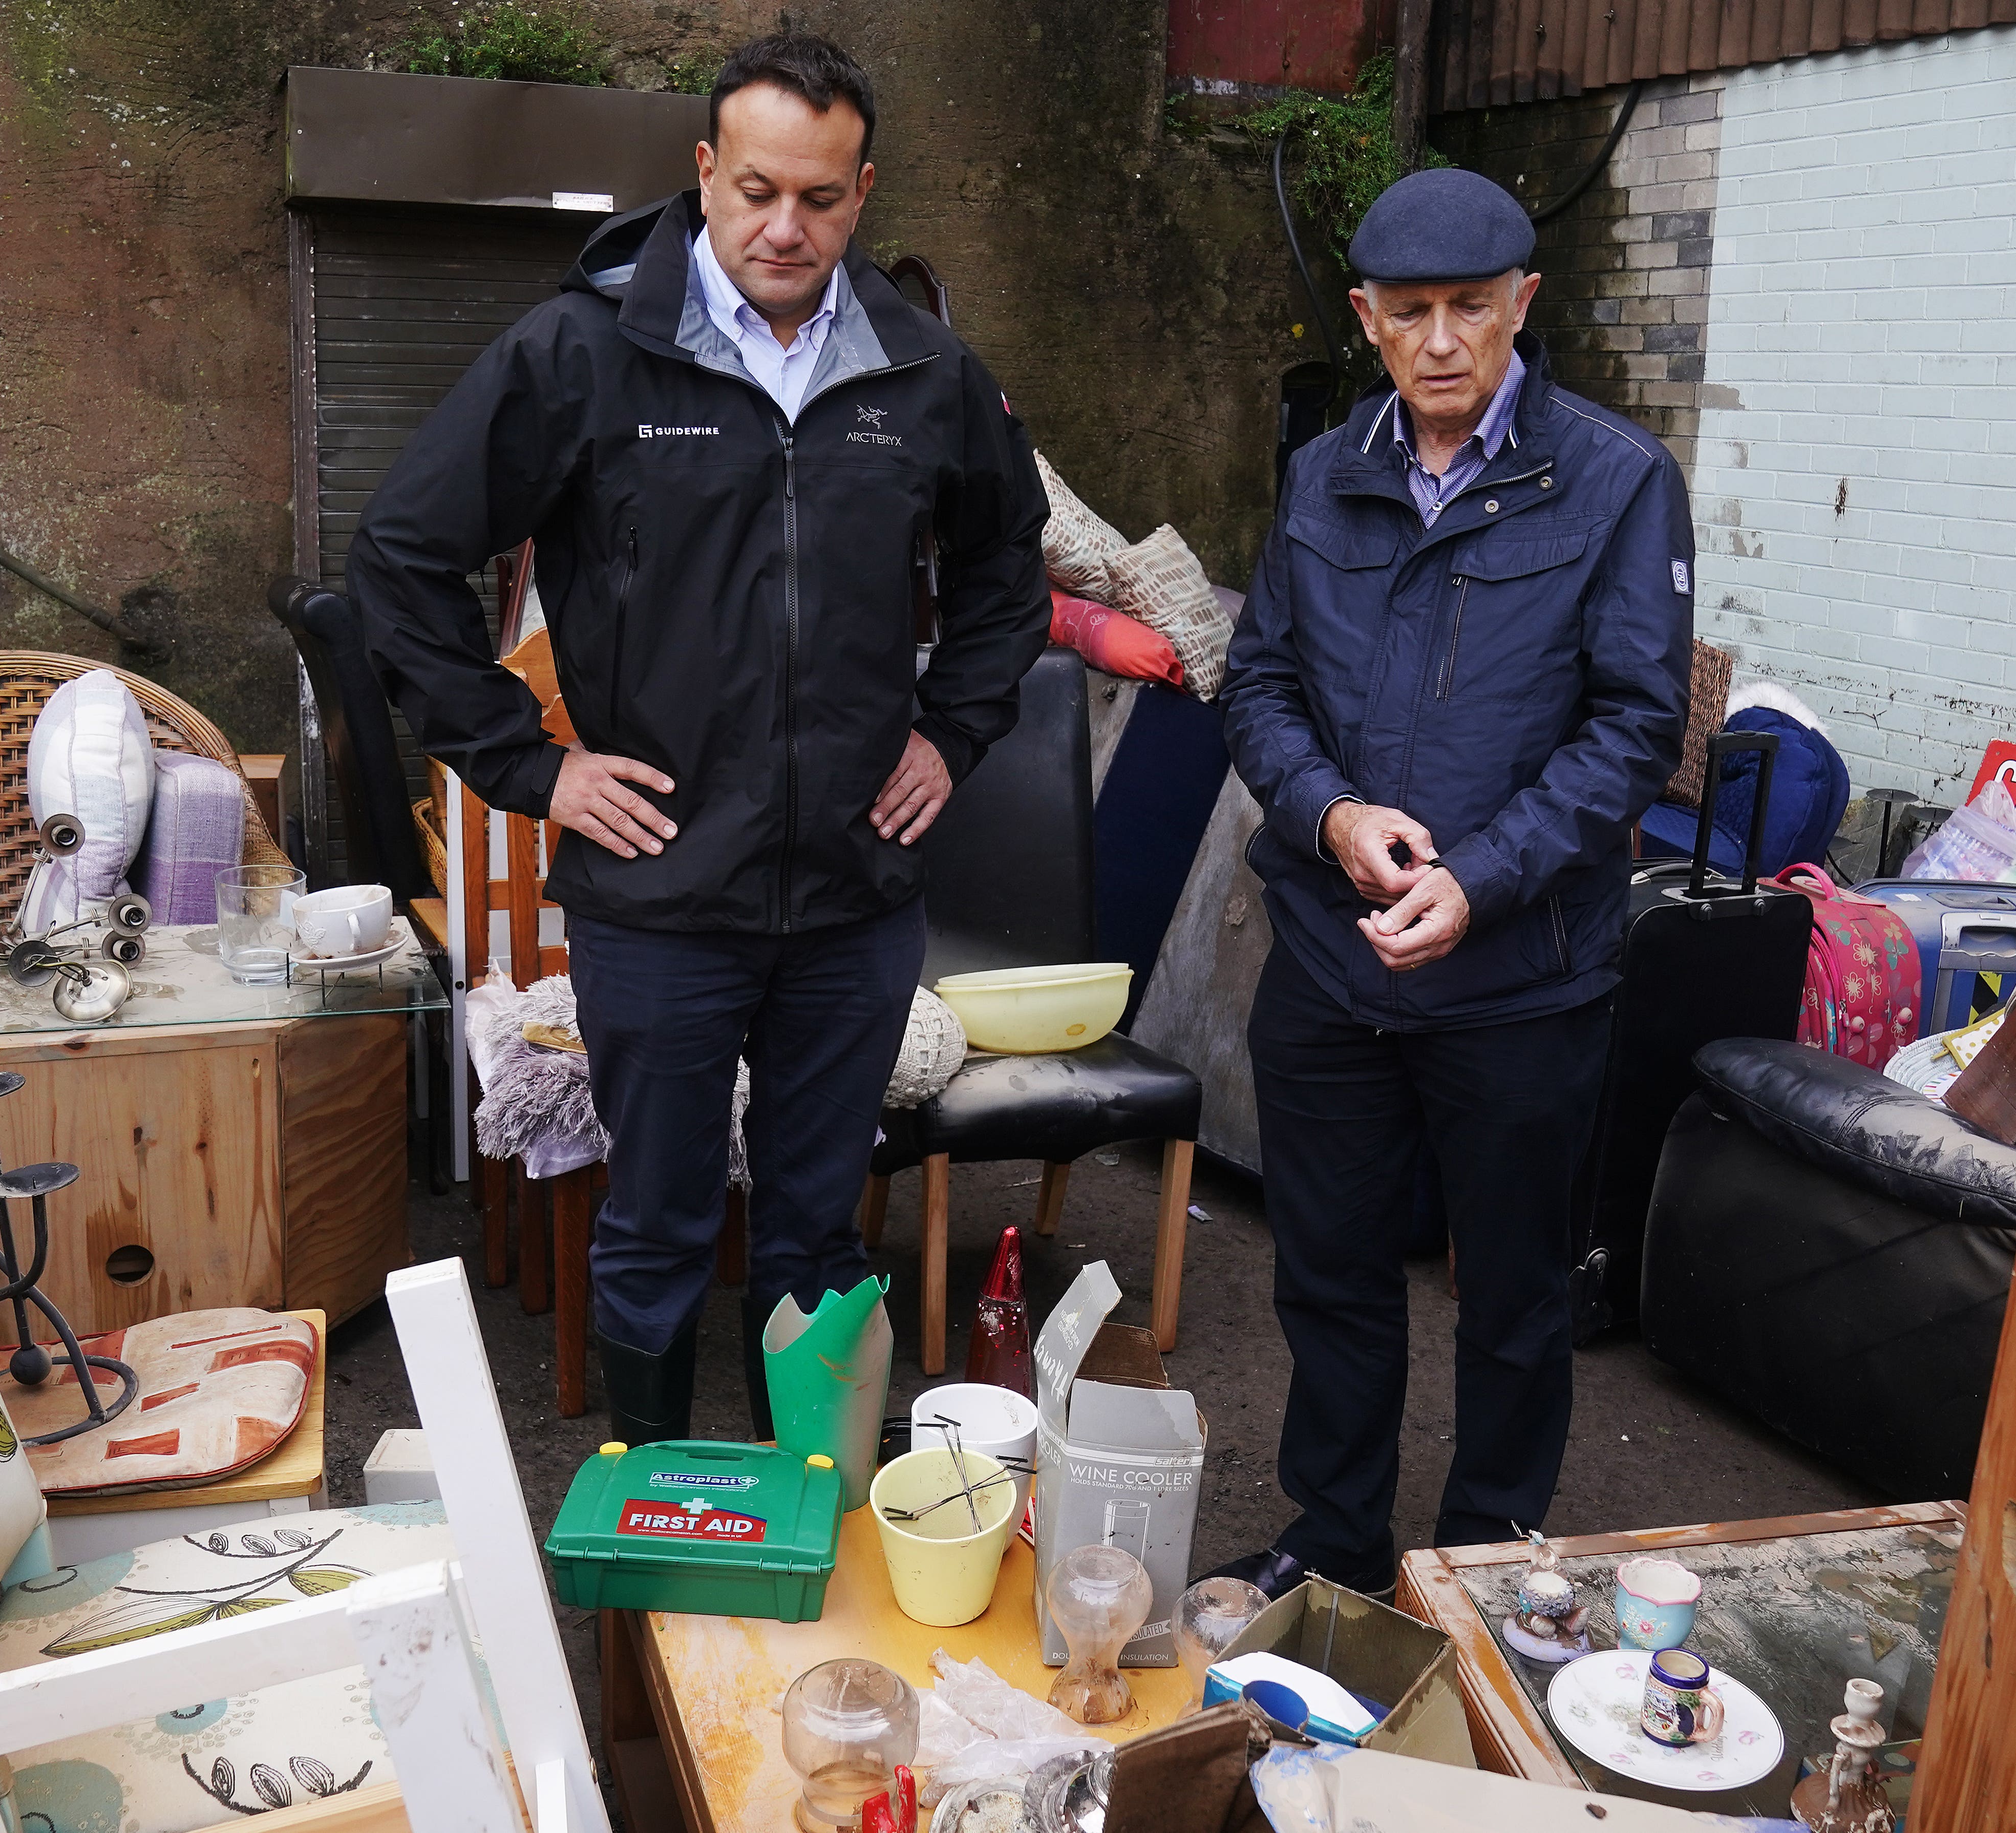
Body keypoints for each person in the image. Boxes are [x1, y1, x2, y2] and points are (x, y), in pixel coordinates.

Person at [352, 33, 1049, 1444]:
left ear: (864, 193)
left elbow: (1008, 572)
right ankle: (656, 1561)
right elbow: (400, 557)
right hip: (663, 896)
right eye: (754, 192)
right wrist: (535, 766)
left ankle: (807, 1525)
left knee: (816, 1241)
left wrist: (954, 734)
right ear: (702, 178)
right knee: (661, 1229)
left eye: (821, 196)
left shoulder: (923, 374)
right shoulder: (583, 354)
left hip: (854, 900)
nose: (784, 227)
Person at [1205, 168, 1692, 1596]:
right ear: (1365, 317)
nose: (1439, 342)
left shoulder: (1615, 480)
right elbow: (1260, 686)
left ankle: (1484, 1566)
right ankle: (1338, 1537)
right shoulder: (1324, 473)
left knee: (1517, 1301)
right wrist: (1333, 813)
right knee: (1333, 1278)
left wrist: (1478, 879)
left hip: (1523, 981)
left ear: (1520, 306)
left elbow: (1635, 732)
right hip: (1332, 957)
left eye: (1470, 309)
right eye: (1407, 312)